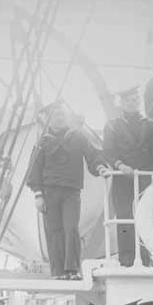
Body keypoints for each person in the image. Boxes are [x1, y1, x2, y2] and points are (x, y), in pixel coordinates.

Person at [27, 101, 110, 279]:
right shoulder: (43, 142)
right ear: (49, 120)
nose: (59, 118)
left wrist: (100, 167)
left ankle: (72, 270)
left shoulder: (77, 137)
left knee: (71, 228)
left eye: (62, 115)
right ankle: (57, 272)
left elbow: (92, 155)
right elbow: (34, 169)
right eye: (55, 115)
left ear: (67, 118)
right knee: (54, 231)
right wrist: (38, 195)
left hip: (71, 192)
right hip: (49, 193)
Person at [102, 85, 153, 267]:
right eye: (128, 100)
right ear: (122, 103)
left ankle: (145, 257)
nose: (132, 103)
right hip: (122, 180)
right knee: (125, 217)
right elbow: (108, 152)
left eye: (135, 99)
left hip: (143, 178)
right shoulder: (112, 125)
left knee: (144, 216)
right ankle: (126, 259)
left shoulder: (150, 125)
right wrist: (120, 165)